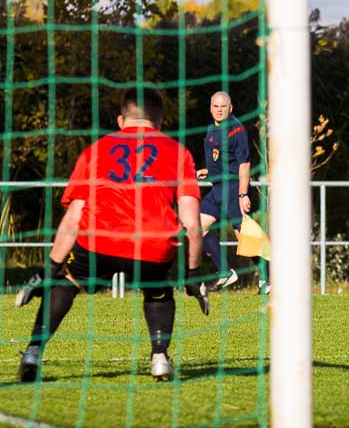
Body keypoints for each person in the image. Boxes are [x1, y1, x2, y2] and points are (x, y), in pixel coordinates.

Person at [15, 87, 209, 381]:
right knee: (157, 289)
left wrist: (50, 268)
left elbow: (74, 216)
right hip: (152, 244)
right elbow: (192, 224)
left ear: (121, 120)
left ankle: (33, 352)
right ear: (159, 122)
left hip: (99, 240)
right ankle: (159, 358)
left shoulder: (96, 150)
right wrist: (193, 274)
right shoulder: (178, 152)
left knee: (67, 281)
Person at [196, 91, 268, 293]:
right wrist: (209, 171)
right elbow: (223, 159)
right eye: (216, 106)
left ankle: (268, 276)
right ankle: (225, 272)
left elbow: (244, 165)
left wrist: (243, 195)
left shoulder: (237, 130)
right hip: (217, 188)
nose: (219, 110)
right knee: (196, 227)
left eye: (223, 106)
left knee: (242, 235)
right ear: (211, 108)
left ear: (230, 108)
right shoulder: (211, 128)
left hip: (233, 188)